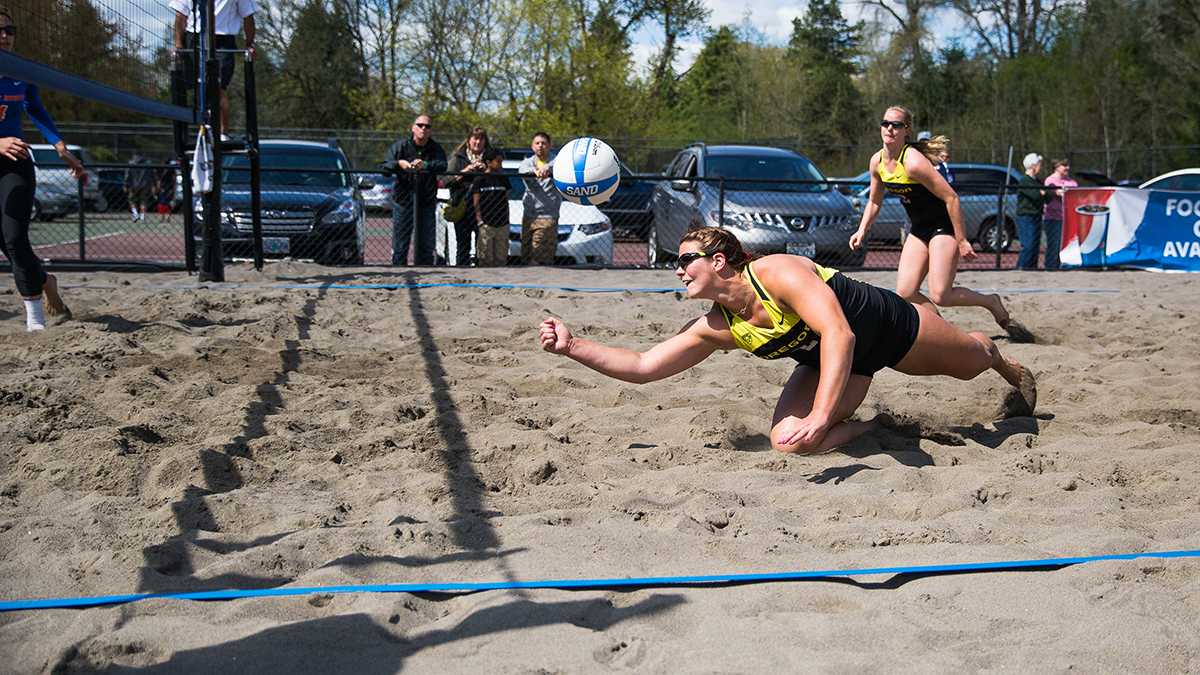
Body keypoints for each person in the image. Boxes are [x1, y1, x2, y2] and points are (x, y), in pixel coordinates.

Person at [539, 227, 1036, 454]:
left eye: (685, 257)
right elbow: (645, 365)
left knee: (973, 360)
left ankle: (1007, 367)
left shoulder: (776, 273)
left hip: (883, 327)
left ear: (718, 262)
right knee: (786, 443)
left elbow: (839, 332)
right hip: (834, 363)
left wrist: (821, 414)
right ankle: (880, 427)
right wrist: (572, 345)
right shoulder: (720, 326)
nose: (677, 268)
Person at [849, 106, 1029, 341]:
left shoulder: (912, 162)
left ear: (907, 130)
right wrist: (862, 229)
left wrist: (962, 239)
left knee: (941, 295)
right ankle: (943, 331)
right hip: (919, 229)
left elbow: (951, 197)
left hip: (943, 228)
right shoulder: (877, 162)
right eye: (886, 124)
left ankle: (991, 301)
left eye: (896, 125)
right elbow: (874, 201)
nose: (890, 129)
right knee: (905, 292)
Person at [0, 6, 80, 331]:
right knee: (8, 243)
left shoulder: (22, 70)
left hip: (14, 164)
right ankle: (46, 282)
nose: (5, 36)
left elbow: (36, 108)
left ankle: (35, 322)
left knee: (15, 238)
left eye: (10, 30)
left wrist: (60, 147)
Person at [171, 0, 257, 140]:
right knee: (199, 85)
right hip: (195, 37)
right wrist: (178, 45)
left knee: (218, 84)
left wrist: (249, 44)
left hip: (223, 40)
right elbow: (180, 16)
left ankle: (222, 132)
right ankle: (203, 126)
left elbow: (248, 17)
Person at [383, 114, 447, 266]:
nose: (423, 128)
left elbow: (443, 166)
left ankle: (425, 276)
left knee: (426, 245)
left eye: (427, 126)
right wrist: (400, 164)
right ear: (413, 128)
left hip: (426, 202)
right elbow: (384, 167)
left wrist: (425, 165)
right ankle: (399, 275)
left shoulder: (435, 148)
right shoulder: (401, 147)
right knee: (400, 245)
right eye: (420, 125)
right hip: (404, 202)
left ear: (430, 131)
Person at [445, 127, 492, 266]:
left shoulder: (490, 158)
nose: (478, 142)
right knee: (463, 245)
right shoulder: (457, 158)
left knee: (483, 246)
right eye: (475, 138)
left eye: (481, 139)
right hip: (462, 207)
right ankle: (462, 274)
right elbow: (447, 181)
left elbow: (499, 178)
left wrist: (487, 170)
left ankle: (481, 273)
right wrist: (465, 171)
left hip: (484, 209)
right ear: (468, 141)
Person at [518, 132, 562, 265]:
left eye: (543, 143)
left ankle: (542, 282)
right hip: (529, 215)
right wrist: (535, 172)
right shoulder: (527, 163)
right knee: (526, 253)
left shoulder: (557, 162)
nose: (540, 146)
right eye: (537, 143)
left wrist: (548, 168)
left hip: (548, 216)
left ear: (549, 146)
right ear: (532, 146)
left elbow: (562, 166)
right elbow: (522, 170)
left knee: (540, 253)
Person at [470, 148, 509, 267]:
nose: (500, 164)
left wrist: (507, 220)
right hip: (487, 223)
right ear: (488, 162)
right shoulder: (480, 179)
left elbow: (506, 199)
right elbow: (476, 202)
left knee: (501, 257)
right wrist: (480, 220)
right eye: (498, 161)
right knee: (486, 257)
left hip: (502, 223)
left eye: (501, 161)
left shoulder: (503, 178)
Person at [1015, 153, 1054, 270]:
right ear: (1033, 166)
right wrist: (1042, 193)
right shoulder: (1025, 181)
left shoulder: (1037, 181)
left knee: (1035, 244)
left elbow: (1048, 197)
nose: (1040, 167)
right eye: (1039, 164)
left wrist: (1043, 193)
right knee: (1028, 244)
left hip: (1036, 214)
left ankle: (1032, 267)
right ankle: (1022, 267)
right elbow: (1036, 195)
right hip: (1026, 216)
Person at [1041, 159, 1076, 271]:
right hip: (1053, 218)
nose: (1067, 168)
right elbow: (1047, 194)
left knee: (1068, 245)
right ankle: (1051, 267)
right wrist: (1056, 192)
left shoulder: (1072, 182)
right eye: (1064, 165)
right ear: (1056, 167)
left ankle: (1066, 266)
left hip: (1069, 219)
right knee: (1054, 245)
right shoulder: (1049, 180)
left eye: (1068, 165)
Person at [124, 153, 155, 222]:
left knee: (131, 200)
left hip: (133, 185)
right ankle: (142, 217)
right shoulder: (147, 163)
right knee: (143, 201)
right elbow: (151, 175)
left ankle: (135, 214)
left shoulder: (131, 163)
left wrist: (125, 184)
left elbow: (127, 175)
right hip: (145, 185)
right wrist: (153, 185)